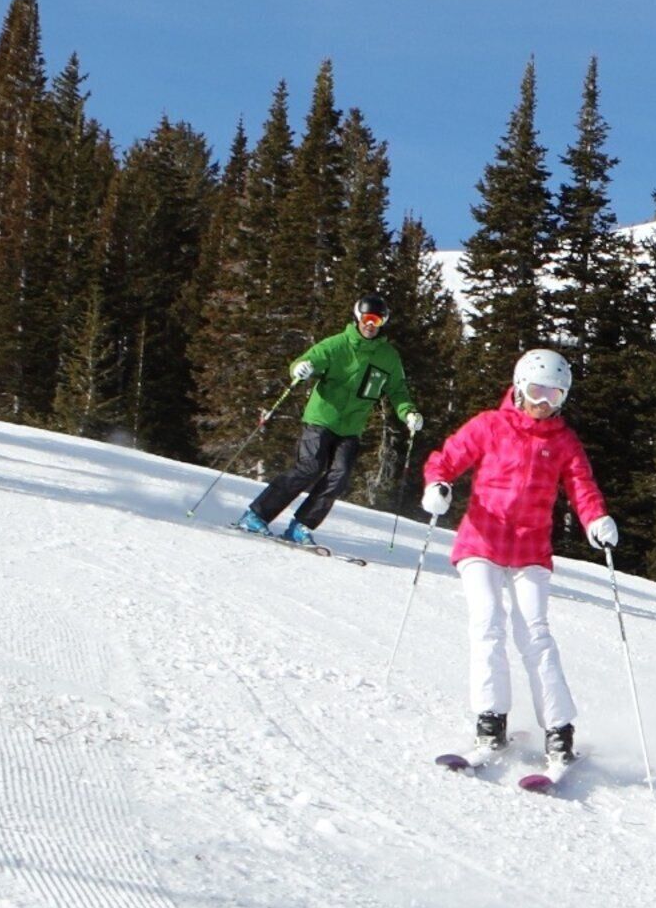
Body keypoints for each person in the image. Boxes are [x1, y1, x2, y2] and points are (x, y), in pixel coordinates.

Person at [419, 349, 617, 772]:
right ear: (519, 386)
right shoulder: (490, 426)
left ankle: (559, 732)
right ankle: (491, 724)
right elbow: (448, 457)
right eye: (537, 391)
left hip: (530, 551)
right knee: (487, 624)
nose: (544, 402)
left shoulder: (563, 441)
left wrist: (597, 518)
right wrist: (437, 484)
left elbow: (582, 486)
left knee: (535, 635)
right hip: (481, 543)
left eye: (555, 395)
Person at [240, 295, 421, 545]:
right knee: (310, 467)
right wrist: (301, 368)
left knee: (340, 475)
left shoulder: (388, 356)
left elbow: (398, 390)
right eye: (367, 318)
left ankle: (301, 525)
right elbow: (308, 361)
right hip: (321, 418)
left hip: (351, 427)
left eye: (377, 320)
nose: (371, 325)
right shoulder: (337, 345)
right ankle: (256, 515)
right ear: (358, 318)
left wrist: (409, 413)